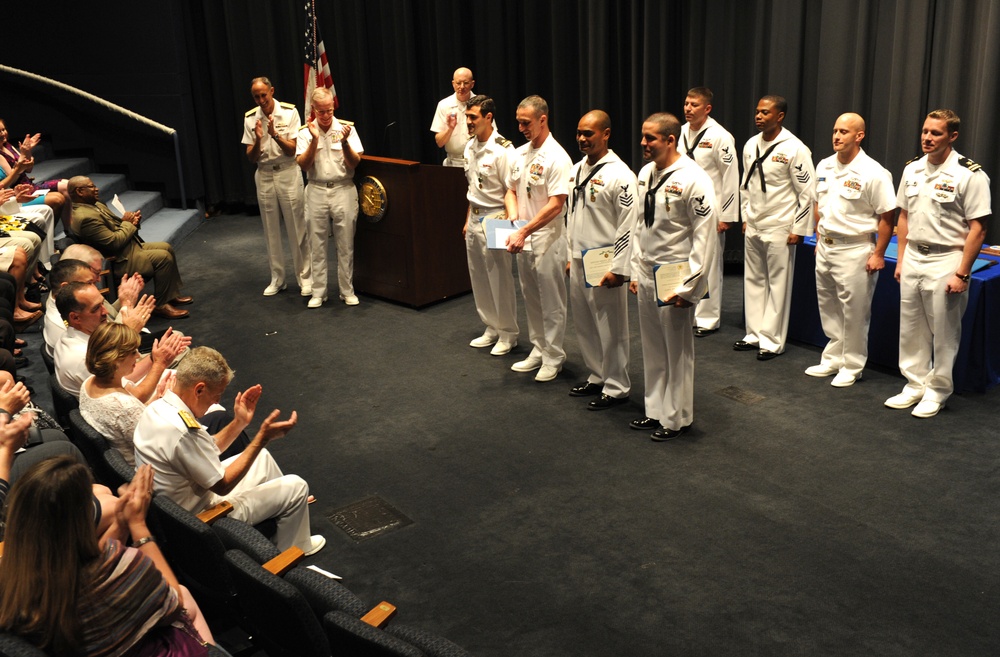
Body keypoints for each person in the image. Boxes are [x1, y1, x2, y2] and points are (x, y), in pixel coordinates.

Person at [0, 456, 216, 655]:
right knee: (183, 597)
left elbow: (96, 564)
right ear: (82, 521)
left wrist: (121, 523)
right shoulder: (125, 563)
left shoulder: (12, 576)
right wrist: (138, 526)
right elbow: (173, 607)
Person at [133, 346, 325, 555]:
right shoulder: (182, 432)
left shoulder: (158, 408)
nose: (217, 401)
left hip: (181, 502)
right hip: (202, 516)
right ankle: (292, 551)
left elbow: (208, 448)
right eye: (217, 394)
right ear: (199, 389)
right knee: (296, 486)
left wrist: (239, 422)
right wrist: (262, 438)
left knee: (262, 458)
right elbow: (222, 486)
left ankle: (287, 519)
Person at [885, 109, 991, 418]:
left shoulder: (968, 174)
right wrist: (901, 258)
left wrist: (962, 273)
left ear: (952, 136)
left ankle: (938, 390)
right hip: (914, 255)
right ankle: (914, 384)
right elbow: (902, 216)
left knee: (944, 331)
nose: (927, 138)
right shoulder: (912, 169)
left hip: (947, 258)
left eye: (936, 133)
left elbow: (978, 228)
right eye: (925, 132)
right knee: (911, 327)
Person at [628, 113, 717, 441]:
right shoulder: (645, 174)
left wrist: (690, 287)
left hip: (675, 275)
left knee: (676, 350)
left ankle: (677, 418)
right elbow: (640, 224)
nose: (643, 144)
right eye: (643, 136)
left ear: (670, 140)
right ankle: (655, 410)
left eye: (650, 138)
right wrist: (636, 268)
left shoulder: (695, 178)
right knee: (652, 347)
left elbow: (704, 236)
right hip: (648, 270)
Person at [806, 113, 895, 387]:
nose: (836, 136)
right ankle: (833, 357)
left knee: (855, 311)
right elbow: (817, 204)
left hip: (856, 248)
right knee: (828, 305)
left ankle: (852, 364)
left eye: (844, 131)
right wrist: (820, 238)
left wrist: (878, 253)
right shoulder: (824, 165)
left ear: (859, 136)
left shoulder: (873, 172)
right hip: (826, 246)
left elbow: (888, 217)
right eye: (835, 130)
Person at [734, 95, 816, 360]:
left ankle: (771, 341)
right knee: (754, 280)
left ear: (779, 116)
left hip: (781, 225)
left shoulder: (794, 149)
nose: (758, 116)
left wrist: (799, 228)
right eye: (757, 111)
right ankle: (754, 333)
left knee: (778, 284)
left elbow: (807, 192)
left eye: (765, 112)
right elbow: (745, 184)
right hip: (755, 222)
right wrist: (745, 216)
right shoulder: (750, 145)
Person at [565, 110, 637, 409]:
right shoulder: (576, 169)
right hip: (579, 259)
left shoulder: (620, 175)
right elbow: (570, 215)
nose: (582, 139)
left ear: (606, 134)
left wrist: (620, 269)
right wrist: (570, 254)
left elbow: (628, 224)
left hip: (605, 262)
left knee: (611, 328)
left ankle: (617, 385)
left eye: (589, 134)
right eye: (579, 133)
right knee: (584, 323)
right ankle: (597, 375)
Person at [503, 95, 573, 382]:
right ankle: (538, 347)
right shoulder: (518, 154)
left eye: (526, 123)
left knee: (551, 299)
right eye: (518, 122)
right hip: (524, 234)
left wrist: (523, 229)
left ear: (543, 119)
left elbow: (556, 204)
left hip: (548, 237)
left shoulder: (558, 157)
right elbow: (510, 190)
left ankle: (554, 355)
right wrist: (512, 218)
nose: (521, 128)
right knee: (530, 295)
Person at [68, 176, 192, 319]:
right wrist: (129, 224)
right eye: (92, 187)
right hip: (118, 259)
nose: (96, 189)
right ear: (80, 191)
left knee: (166, 247)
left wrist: (132, 221)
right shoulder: (85, 218)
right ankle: (161, 305)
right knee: (163, 258)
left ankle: (169, 295)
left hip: (127, 248)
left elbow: (116, 227)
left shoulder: (96, 205)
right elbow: (113, 243)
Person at [243, 76, 313, 298]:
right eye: (256, 96)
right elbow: (251, 157)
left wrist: (274, 135)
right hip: (264, 174)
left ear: (272, 91)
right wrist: (257, 139)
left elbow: (293, 150)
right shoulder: (250, 118)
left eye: (264, 95)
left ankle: (305, 278)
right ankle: (278, 279)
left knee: (297, 227)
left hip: (287, 172)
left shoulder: (289, 112)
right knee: (270, 229)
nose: (261, 100)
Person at [80, 322, 186, 467]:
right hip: (149, 469)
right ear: (116, 360)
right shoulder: (124, 406)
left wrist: (158, 398)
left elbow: (133, 414)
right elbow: (161, 444)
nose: (137, 355)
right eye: (132, 352)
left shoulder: (87, 383)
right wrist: (170, 404)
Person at [678, 88, 739, 337]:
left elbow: (730, 176)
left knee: (709, 263)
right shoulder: (680, 132)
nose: (688, 108)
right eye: (686, 103)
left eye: (694, 104)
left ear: (707, 109)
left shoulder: (720, 136)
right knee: (687, 259)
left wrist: (726, 215)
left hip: (711, 210)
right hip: (684, 208)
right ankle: (688, 308)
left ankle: (707, 318)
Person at [295, 86, 363, 308]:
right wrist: (315, 140)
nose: (326, 115)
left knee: (345, 244)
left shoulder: (347, 129)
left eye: (329, 110)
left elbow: (355, 163)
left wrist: (343, 142)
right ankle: (319, 291)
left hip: (343, 189)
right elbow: (303, 164)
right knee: (317, 243)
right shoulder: (305, 132)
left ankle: (347, 290)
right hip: (316, 189)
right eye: (321, 111)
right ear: (313, 110)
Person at [462, 95, 518, 355]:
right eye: (467, 116)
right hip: (474, 217)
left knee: (499, 279)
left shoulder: (502, 149)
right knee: (479, 277)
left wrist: (509, 227)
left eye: (473, 117)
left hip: (496, 217)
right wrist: (467, 220)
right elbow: (472, 188)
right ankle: (491, 327)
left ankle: (508, 333)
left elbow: (512, 190)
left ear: (488, 117)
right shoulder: (469, 146)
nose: (468, 121)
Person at [54, 281, 170, 399]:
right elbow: (132, 394)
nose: (105, 311)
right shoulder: (84, 357)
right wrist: (158, 361)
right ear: (75, 318)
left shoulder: (78, 334)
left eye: (102, 303)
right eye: (96, 309)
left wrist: (155, 357)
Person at [43, 254, 145, 358]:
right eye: (89, 282)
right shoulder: (61, 325)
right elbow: (108, 351)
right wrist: (126, 306)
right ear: (66, 286)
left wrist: (125, 297)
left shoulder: (78, 298)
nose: (95, 285)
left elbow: (109, 315)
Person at [0, 118, 67, 220]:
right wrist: (20, 166)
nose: (2, 134)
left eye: (3, 130)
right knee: (58, 199)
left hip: (29, 186)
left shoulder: (8, 146)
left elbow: (28, 169)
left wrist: (27, 152)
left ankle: (69, 231)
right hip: (18, 193)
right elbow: (12, 180)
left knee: (67, 185)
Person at [431, 67, 477, 167]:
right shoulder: (444, 105)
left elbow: (491, 134)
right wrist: (450, 128)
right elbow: (439, 143)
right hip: (453, 163)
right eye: (458, 83)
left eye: (466, 83)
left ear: (472, 84)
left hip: (476, 160)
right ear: (453, 84)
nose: (462, 86)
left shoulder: (480, 104)